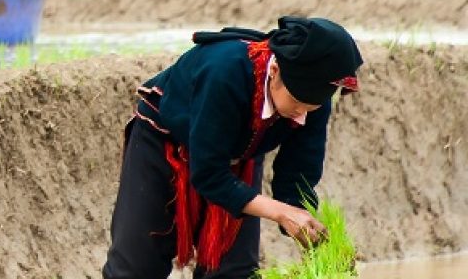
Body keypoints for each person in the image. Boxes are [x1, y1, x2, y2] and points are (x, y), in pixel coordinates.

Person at [101, 17, 364, 279]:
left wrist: (305, 229)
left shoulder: (313, 98)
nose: (302, 113)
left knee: (234, 272)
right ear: (274, 73)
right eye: (297, 102)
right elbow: (209, 173)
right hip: (166, 142)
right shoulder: (225, 71)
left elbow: (298, 172)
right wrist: (280, 212)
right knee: (136, 267)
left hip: (240, 153)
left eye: (312, 106)